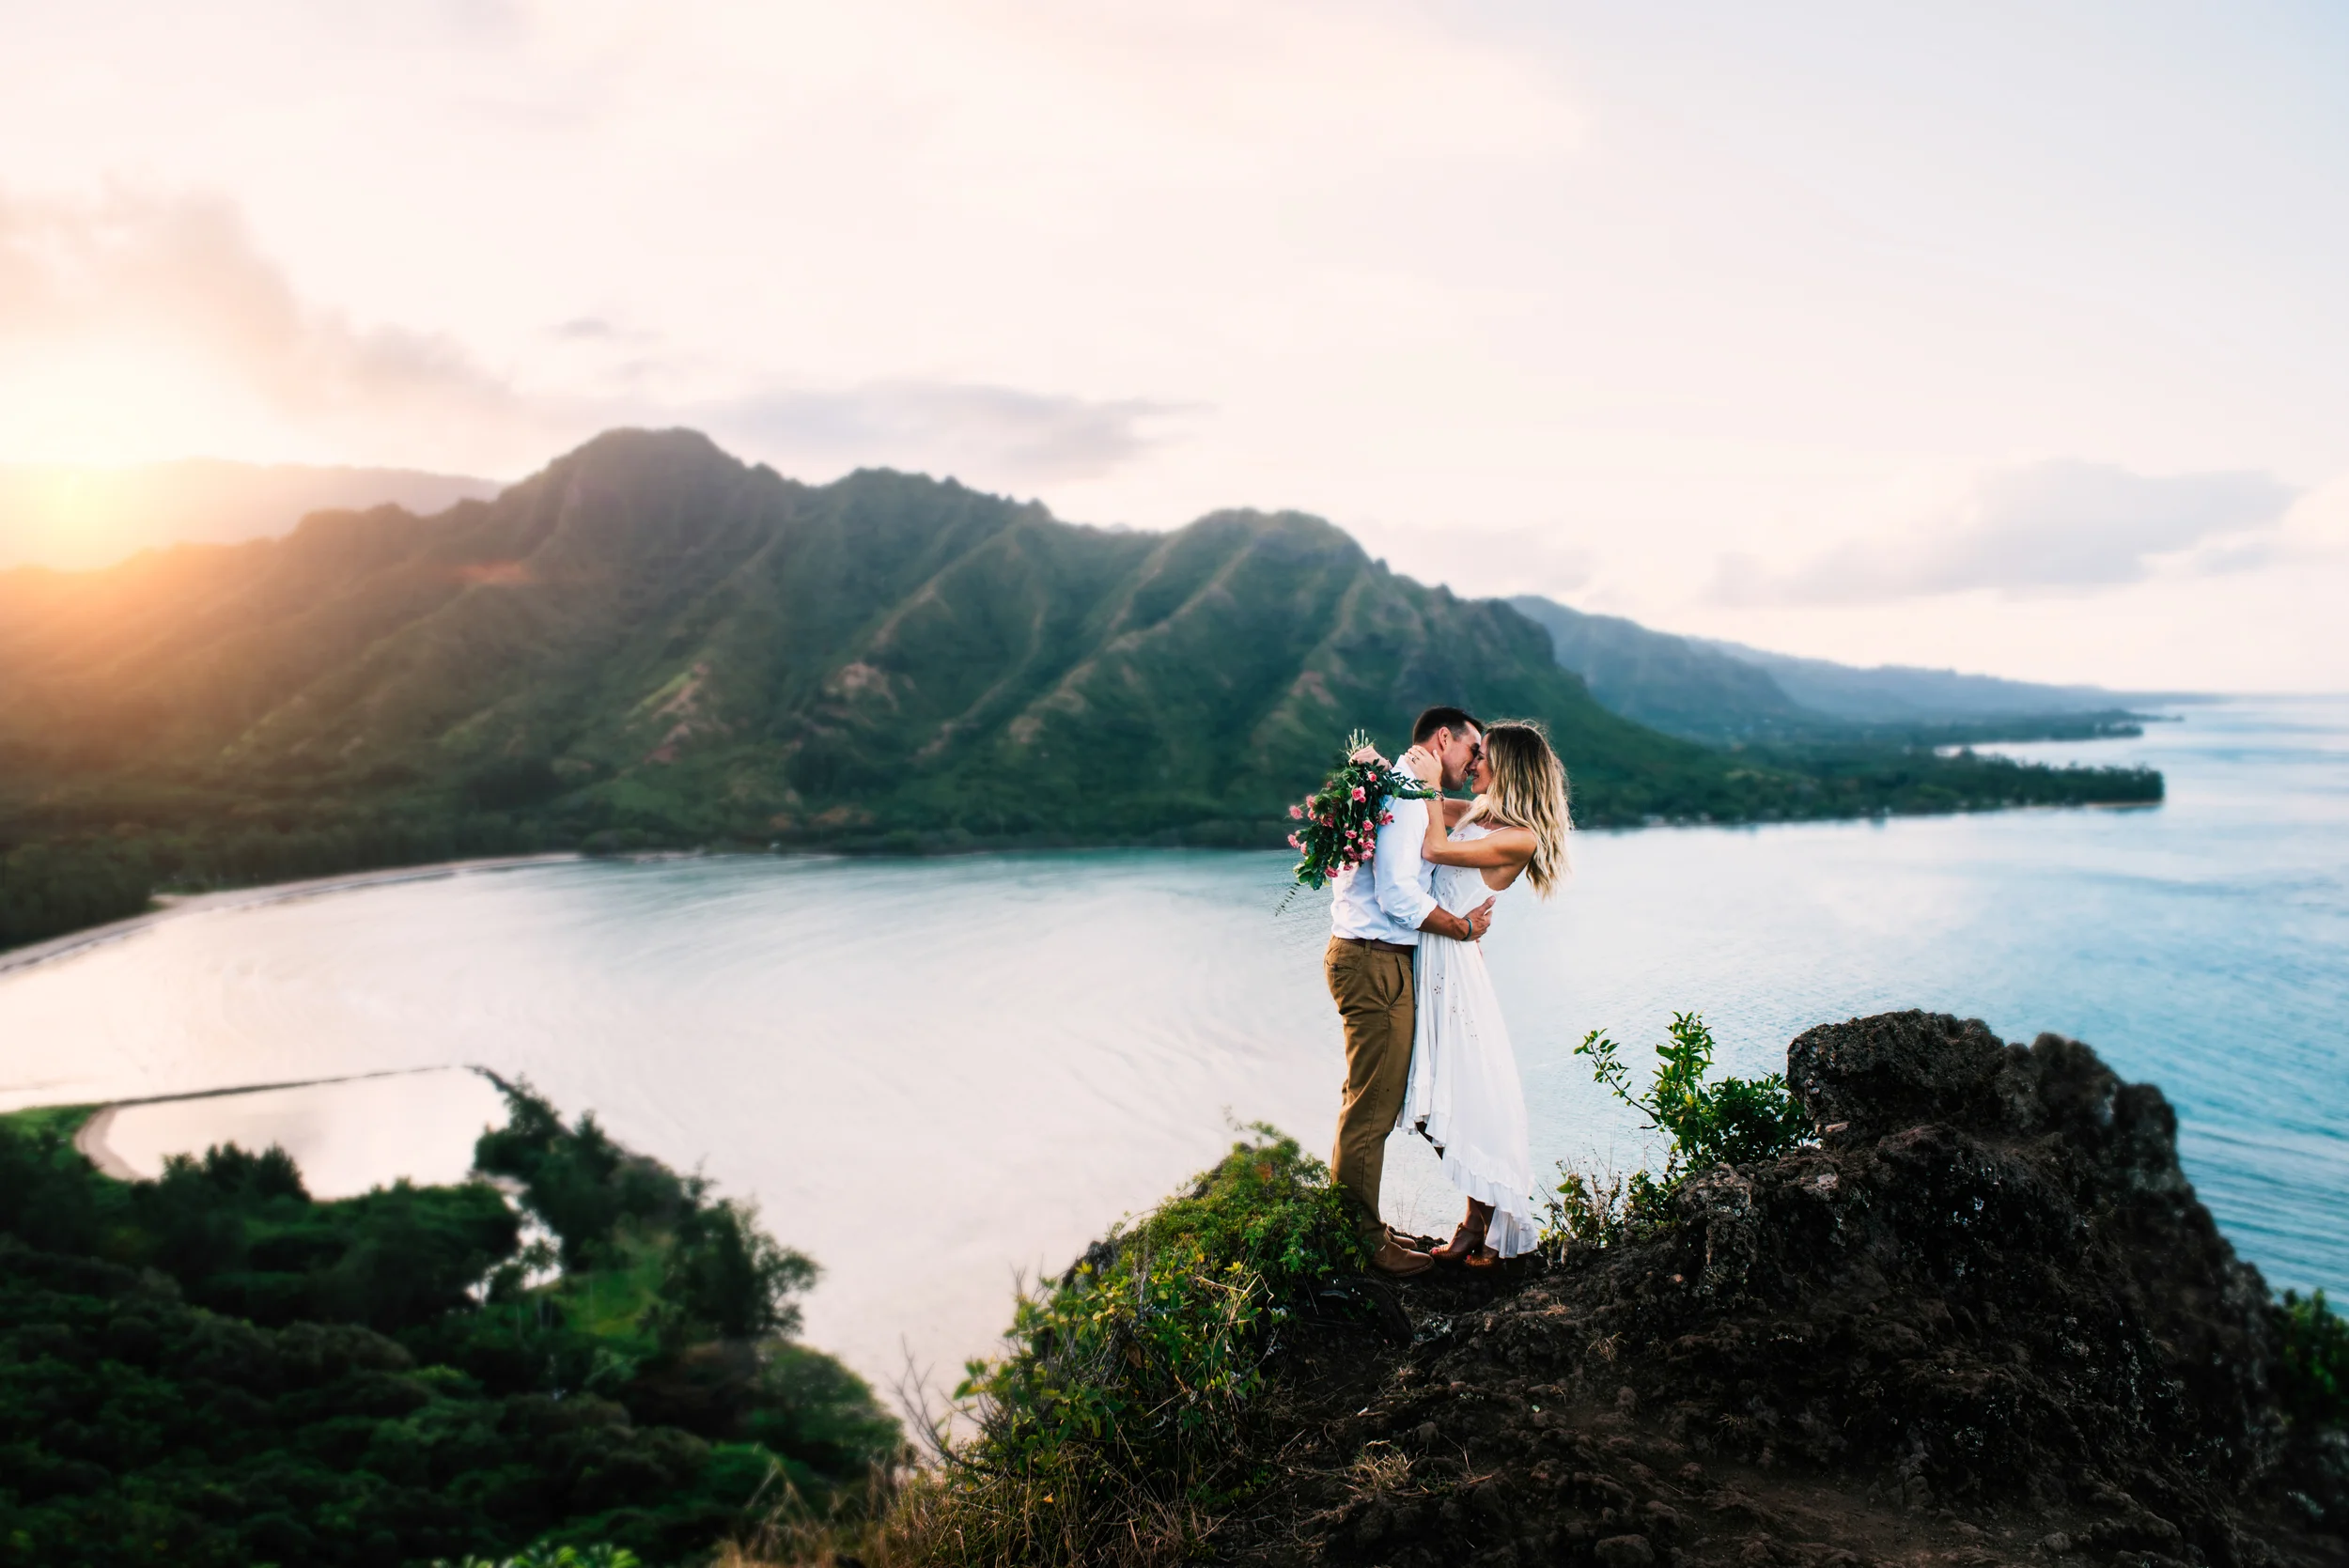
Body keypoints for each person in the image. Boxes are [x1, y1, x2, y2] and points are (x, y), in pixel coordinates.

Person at [1324, 705, 1495, 1278]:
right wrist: (1462, 928)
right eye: (1472, 750)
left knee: (1366, 1099)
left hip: (1374, 960)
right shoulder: (1403, 794)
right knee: (1372, 1107)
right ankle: (1363, 1243)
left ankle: (1358, 1224)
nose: (1474, 761)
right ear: (1444, 739)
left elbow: (1450, 816)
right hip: (1375, 961)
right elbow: (1398, 895)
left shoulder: (1404, 789)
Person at [1395, 720, 1573, 1266]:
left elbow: (1433, 846)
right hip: (1435, 956)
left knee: (1458, 1096)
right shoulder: (1479, 815)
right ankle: (1479, 1216)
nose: (1473, 763)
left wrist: (1430, 786)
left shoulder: (1520, 838)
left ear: (1510, 768)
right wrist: (1376, 771)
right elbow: (1413, 809)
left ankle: (1482, 1219)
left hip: (1452, 970)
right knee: (1432, 1098)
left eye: (1483, 756)